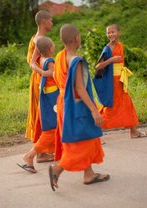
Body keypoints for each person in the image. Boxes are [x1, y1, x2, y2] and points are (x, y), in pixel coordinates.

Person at [49, 24, 109, 191]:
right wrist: (94, 110)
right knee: (84, 141)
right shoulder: (76, 60)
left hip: (64, 102)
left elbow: (55, 76)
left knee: (80, 139)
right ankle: (57, 170)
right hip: (78, 106)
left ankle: (88, 174)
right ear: (77, 39)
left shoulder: (60, 56)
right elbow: (80, 89)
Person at [94, 24, 147, 138]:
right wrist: (111, 60)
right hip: (111, 83)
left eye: (113, 32)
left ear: (119, 33)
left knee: (127, 105)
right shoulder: (107, 48)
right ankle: (94, 131)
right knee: (110, 107)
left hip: (120, 81)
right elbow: (98, 66)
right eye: (108, 32)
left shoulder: (121, 45)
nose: (110, 34)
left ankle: (133, 131)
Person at [17, 36, 58, 173]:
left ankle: (62, 153)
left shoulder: (39, 59)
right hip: (52, 99)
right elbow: (55, 76)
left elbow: (39, 69)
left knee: (57, 128)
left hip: (45, 98)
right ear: (50, 49)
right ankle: (29, 156)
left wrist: (42, 72)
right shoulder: (50, 61)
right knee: (52, 130)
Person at [25, 10, 54, 162]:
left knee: (42, 114)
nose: (52, 23)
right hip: (40, 82)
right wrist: (44, 73)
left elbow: (32, 61)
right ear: (43, 21)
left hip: (39, 79)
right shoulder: (40, 39)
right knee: (42, 115)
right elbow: (32, 63)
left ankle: (42, 152)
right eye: (50, 20)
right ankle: (40, 153)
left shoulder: (37, 37)